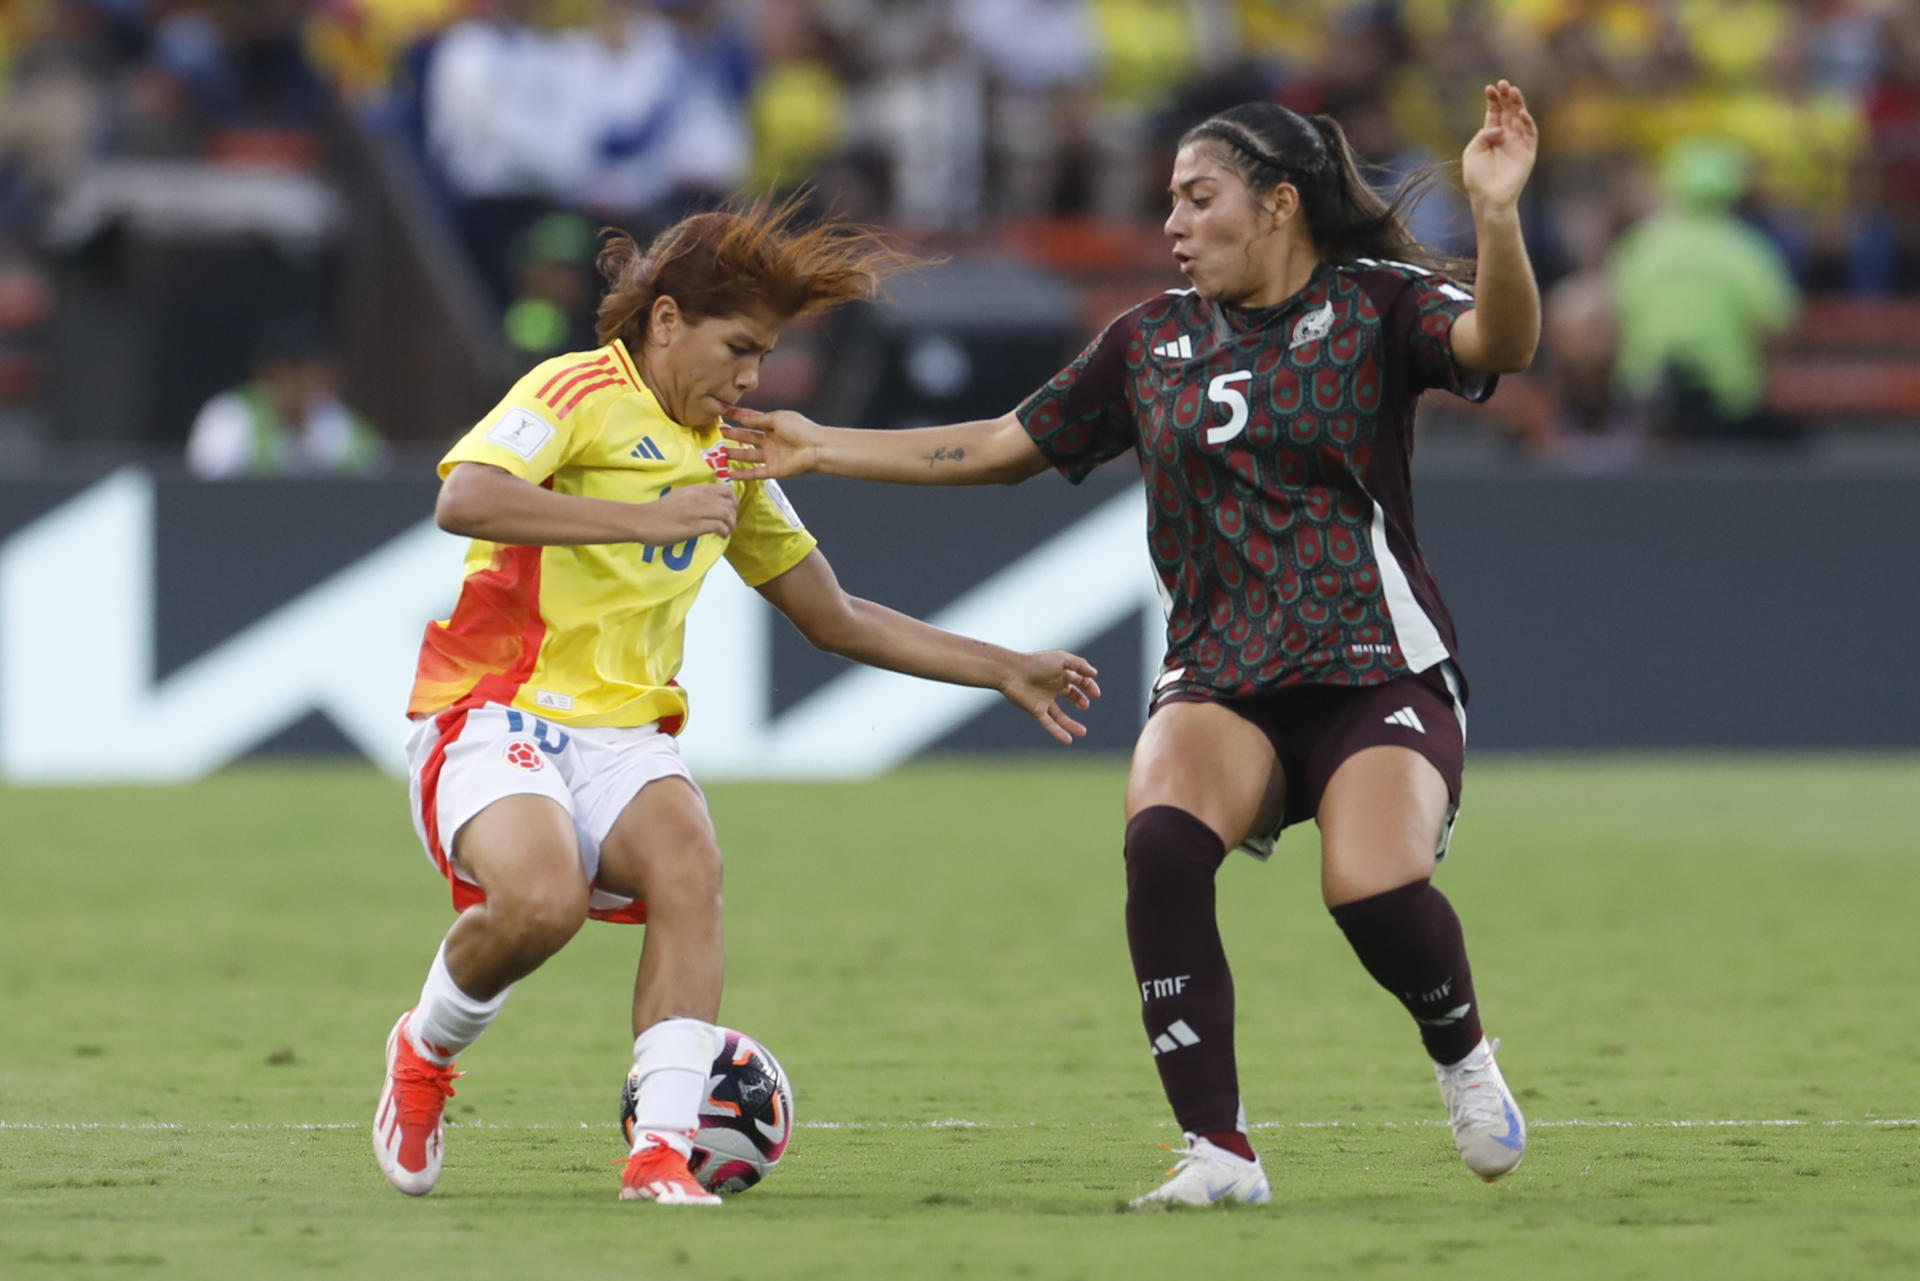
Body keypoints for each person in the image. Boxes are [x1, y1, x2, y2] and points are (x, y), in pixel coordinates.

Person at [725, 83, 1543, 1207]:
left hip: (1377, 667)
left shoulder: (1377, 305)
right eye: (1169, 200)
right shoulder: (1149, 340)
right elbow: (1008, 445)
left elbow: (1502, 341)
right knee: (1160, 847)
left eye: (1198, 198)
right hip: (1222, 676)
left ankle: (1464, 1059)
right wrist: (824, 449)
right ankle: (1220, 1153)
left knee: (1370, 891)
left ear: (1278, 205)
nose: (1172, 224)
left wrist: (1496, 215)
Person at [374, 200, 1102, 1206]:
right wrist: (645, 516)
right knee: (539, 905)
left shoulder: (733, 454)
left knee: (691, 867)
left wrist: (1000, 666)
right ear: (666, 322)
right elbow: (466, 498)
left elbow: (834, 615)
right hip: (493, 709)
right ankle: (424, 1051)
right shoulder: (575, 390)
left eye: (765, 354)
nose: (754, 378)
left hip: (626, 729)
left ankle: (660, 1156)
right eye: (740, 348)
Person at [184, 318, 387, 479]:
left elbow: (381, 479)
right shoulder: (229, 416)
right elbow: (206, 490)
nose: (314, 388)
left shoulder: (343, 423)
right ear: (274, 373)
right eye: (305, 376)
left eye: (322, 377)